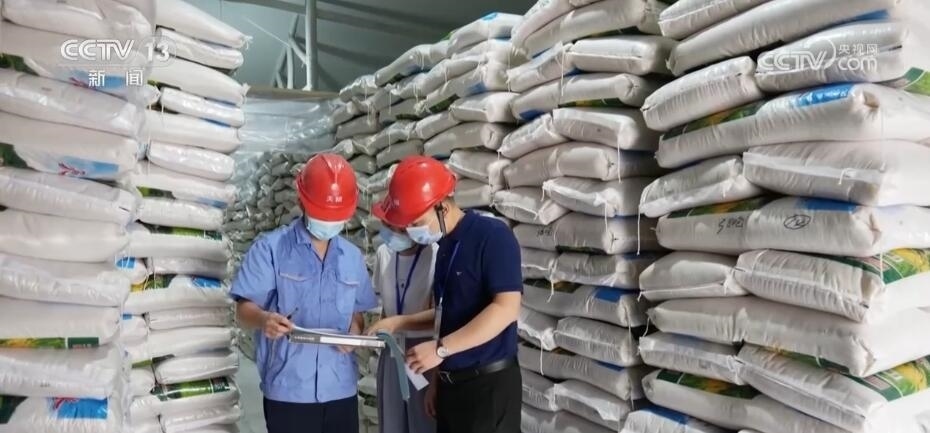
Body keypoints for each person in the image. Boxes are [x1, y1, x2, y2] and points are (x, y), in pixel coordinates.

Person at [369, 156, 523, 433]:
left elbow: (506, 309)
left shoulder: (492, 236)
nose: (411, 231)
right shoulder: (445, 248)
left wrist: (441, 350)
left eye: (416, 222)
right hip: (452, 384)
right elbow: (446, 315)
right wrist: (399, 324)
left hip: (488, 386)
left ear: (442, 206)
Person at [230, 153, 378, 433]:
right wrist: (264, 320)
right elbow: (243, 310)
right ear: (302, 202)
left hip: (340, 387)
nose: (329, 223)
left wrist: (354, 331)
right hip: (289, 389)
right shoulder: (270, 249)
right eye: (322, 214)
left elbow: (357, 312)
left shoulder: (352, 257)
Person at [366, 224, 438, 433]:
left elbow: (441, 315)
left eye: (398, 227)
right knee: (392, 421)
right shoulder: (383, 253)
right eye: (388, 225)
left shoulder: (435, 254)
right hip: (392, 349)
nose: (393, 232)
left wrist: (397, 322)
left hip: (422, 353)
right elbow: (385, 305)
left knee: (423, 420)